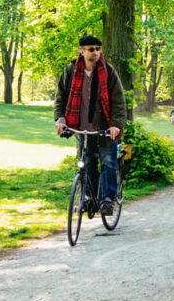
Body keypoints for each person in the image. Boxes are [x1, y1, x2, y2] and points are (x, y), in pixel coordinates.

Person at [54, 35, 127, 215]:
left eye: (98, 49)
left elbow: (119, 102)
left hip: (105, 129)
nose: (95, 52)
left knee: (108, 162)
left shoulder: (108, 71)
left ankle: (108, 200)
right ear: (82, 51)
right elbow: (60, 98)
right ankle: (90, 199)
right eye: (91, 49)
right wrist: (60, 119)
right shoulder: (71, 71)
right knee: (87, 165)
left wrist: (116, 125)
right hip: (83, 130)